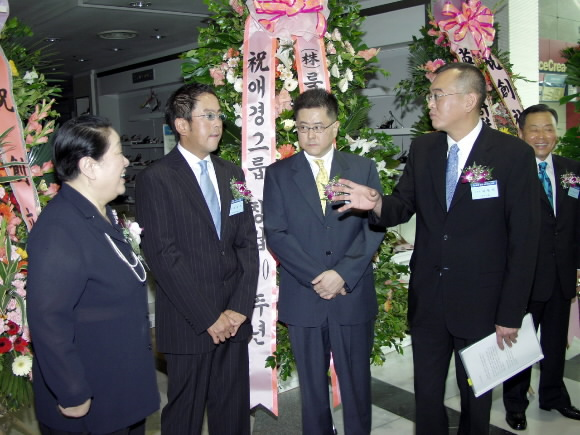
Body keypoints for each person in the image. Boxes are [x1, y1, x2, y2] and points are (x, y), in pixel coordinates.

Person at [330, 63, 541, 435]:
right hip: (429, 297)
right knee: (426, 396)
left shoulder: (512, 154)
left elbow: (524, 240)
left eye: (437, 95)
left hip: (482, 301)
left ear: (469, 100)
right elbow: (401, 206)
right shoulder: (425, 148)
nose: (429, 103)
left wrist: (510, 312)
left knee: (475, 397)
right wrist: (375, 202)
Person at [135, 83, 259, 435]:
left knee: (233, 415)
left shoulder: (234, 175)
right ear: (182, 124)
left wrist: (238, 308)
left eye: (219, 115)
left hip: (233, 321)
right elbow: (163, 256)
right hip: (190, 322)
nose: (217, 123)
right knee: (185, 417)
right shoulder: (156, 179)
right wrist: (208, 317)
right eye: (208, 116)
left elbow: (248, 243)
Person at [27, 115, 160, 435]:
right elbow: (48, 320)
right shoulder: (60, 228)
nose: (126, 162)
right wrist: (72, 391)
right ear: (89, 166)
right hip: (91, 400)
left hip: (122, 389)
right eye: (118, 153)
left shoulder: (104, 213)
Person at [263, 88, 385, 434]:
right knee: (312, 391)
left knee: (357, 385)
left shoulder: (361, 168)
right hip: (305, 296)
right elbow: (276, 233)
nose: (310, 135)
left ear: (335, 127)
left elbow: (374, 226)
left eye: (318, 127)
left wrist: (342, 274)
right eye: (303, 127)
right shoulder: (279, 174)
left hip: (352, 294)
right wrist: (320, 276)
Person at [502, 104, 580, 430]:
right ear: (521, 133)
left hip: (562, 274)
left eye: (548, 128)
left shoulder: (572, 170)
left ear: (556, 132)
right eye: (534, 129)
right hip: (525, 278)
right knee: (520, 345)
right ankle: (515, 403)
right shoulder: (510, 173)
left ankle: (553, 396)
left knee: (555, 344)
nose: (542, 136)